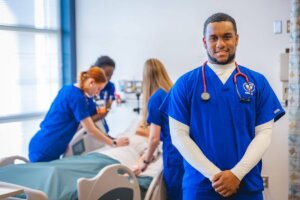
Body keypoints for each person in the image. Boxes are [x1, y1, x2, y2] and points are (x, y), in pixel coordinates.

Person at [160, 13, 285, 200]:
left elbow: (264, 134)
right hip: (201, 187)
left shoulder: (257, 82)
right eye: (213, 38)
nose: (220, 44)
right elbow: (179, 136)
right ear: (204, 41)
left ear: (237, 38)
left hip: (246, 186)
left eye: (227, 36)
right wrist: (215, 176)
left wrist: (236, 174)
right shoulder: (185, 84)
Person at [29, 67, 129, 162]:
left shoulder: (73, 91)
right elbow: (90, 129)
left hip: (51, 146)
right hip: (45, 148)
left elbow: (88, 122)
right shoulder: (76, 97)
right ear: (91, 83)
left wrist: (112, 139)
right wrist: (114, 143)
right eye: (98, 88)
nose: (98, 93)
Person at [132, 58, 184, 200]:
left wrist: (145, 162)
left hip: (174, 156)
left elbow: (154, 138)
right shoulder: (173, 93)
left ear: (146, 77)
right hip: (186, 152)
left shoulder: (155, 99)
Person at [92, 55, 116, 135]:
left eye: (110, 75)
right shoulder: (85, 88)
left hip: (99, 126)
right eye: (106, 74)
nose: (107, 78)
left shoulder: (109, 87)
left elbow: (103, 112)